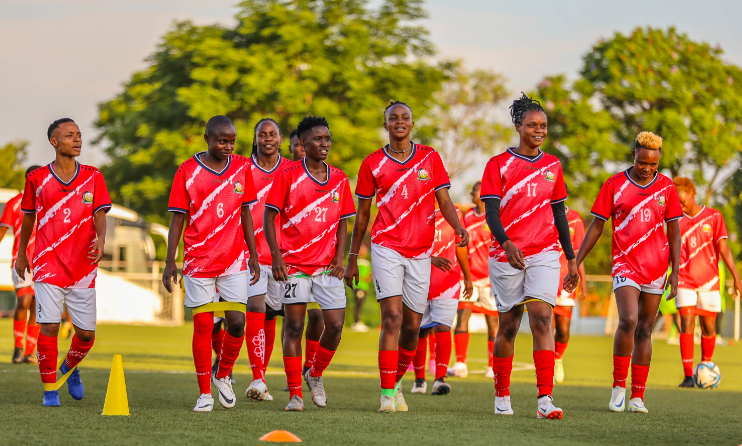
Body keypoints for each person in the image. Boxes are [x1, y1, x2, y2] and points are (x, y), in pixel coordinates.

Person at [345, 101, 469, 413]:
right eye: (393, 118)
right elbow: (362, 215)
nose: (399, 122)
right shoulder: (372, 163)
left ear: (411, 124)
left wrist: (458, 227)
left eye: (405, 118)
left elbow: (444, 199)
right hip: (386, 247)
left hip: (421, 252)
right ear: (385, 124)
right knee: (392, 318)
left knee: (413, 326)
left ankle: (397, 382)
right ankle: (387, 393)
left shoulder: (430, 157)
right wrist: (350, 256)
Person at [481, 93, 577, 419]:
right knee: (508, 326)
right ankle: (502, 395)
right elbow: (491, 212)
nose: (539, 130)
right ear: (518, 125)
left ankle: (545, 400)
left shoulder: (553, 165)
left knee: (542, 318)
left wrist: (571, 258)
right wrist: (506, 243)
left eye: (544, 126)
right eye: (533, 125)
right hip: (505, 253)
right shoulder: (497, 164)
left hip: (545, 252)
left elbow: (560, 213)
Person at [573, 131, 682, 414]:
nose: (647, 169)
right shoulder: (614, 185)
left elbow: (674, 232)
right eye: (643, 162)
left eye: (653, 165)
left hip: (657, 268)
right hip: (625, 264)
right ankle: (619, 387)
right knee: (629, 320)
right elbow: (597, 226)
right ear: (633, 155)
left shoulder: (667, 188)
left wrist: (676, 271)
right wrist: (575, 260)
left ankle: (638, 396)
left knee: (646, 329)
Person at [163, 115, 260, 412]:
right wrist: (171, 262)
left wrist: (253, 254)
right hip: (198, 261)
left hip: (234, 259)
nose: (228, 146)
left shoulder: (243, 167)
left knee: (237, 323)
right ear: (207, 139)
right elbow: (177, 219)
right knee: (203, 326)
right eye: (222, 141)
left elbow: (246, 213)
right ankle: (204, 393)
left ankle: (223, 374)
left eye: (232, 141)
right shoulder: (187, 171)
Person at [16, 118, 111, 407]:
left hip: (83, 265)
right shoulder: (37, 178)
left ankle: (68, 368)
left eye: (79, 135)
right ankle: (49, 390)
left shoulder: (94, 176)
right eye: (70, 136)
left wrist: (101, 240)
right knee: (49, 327)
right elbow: (29, 217)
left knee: (86, 335)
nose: (77, 140)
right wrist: (22, 253)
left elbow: (100, 213)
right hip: (48, 263)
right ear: (54, 142)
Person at [265, 116, 355, 412]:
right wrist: (277, 255)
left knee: (336, 327)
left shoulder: (340, 178)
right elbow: (269, 216)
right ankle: (294, 394)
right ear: (302, 144)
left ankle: (314, 374)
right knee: (293, 327)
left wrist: (341, 257)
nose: (325, 144)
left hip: (328, 266)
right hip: (295, 265)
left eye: (327, 139)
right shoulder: (288, 175)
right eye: (318, 139)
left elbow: (343, 222)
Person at [242, 118, 294, 402]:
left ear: (281, 138)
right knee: (255, 307)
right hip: (249, 255)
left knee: (272, 315)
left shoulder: (291, 170)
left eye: (272, 134)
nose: (267, 139)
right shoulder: (242, 168)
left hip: (280, 257)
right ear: (255, 139)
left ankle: (263, 377)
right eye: (262, 134)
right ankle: (258, 376)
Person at [672, 177, 742, 387]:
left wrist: (736, 278)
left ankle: (706, 368)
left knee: (709, 326)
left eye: (681, 199)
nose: (680, 203)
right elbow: (671, 251)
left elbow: (724, 250)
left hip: (710, 281)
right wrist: (670, 275)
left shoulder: (714, 217)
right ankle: (687, 376)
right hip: (684, 279)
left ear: (692, 193)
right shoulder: (676, 222)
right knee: (686, 323)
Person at [411, 205, 472, 395]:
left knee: (443, 327)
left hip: (448, 280)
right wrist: (430, 260)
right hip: (418, 280)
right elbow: (407, 245)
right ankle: (419, 380)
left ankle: (440, 379)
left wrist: (467, 277)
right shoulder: (416, 208)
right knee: (420, 331)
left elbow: (459, 245)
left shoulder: (455, 212)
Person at [287, 128, 326, 385]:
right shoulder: (286, 177)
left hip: (319, 262)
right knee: (286, 323)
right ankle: (259, 376)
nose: (302, 150)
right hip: (286, 261)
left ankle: (310, 368)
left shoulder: (329, 177)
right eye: (297, 146)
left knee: (320, 317)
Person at [450, 181, 499, 379]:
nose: (473, 195)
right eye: (472, 192)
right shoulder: (467, 216)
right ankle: (460, 364)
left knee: (492, 321)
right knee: (462, 317)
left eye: (476, 192)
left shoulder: (495, 217)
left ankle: (492, 366)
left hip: (490, 278)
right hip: (468, 275)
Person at [0, 165, 42, 364]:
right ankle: (18, 348)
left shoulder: (49, 203)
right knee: (24, 301)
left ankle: (29, 352)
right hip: (22, 259)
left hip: (44, 262)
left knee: (37, 306)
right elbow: (3, 230)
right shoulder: (15, 203)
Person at [553, 202, 588, 384]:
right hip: (544, 280)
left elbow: (579, 251)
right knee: (544, 326)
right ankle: (545, 365)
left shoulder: (574, 219)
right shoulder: (542, 216)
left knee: (563, 331)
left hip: (566, 282)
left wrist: (583, 279)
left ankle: (557, 358)